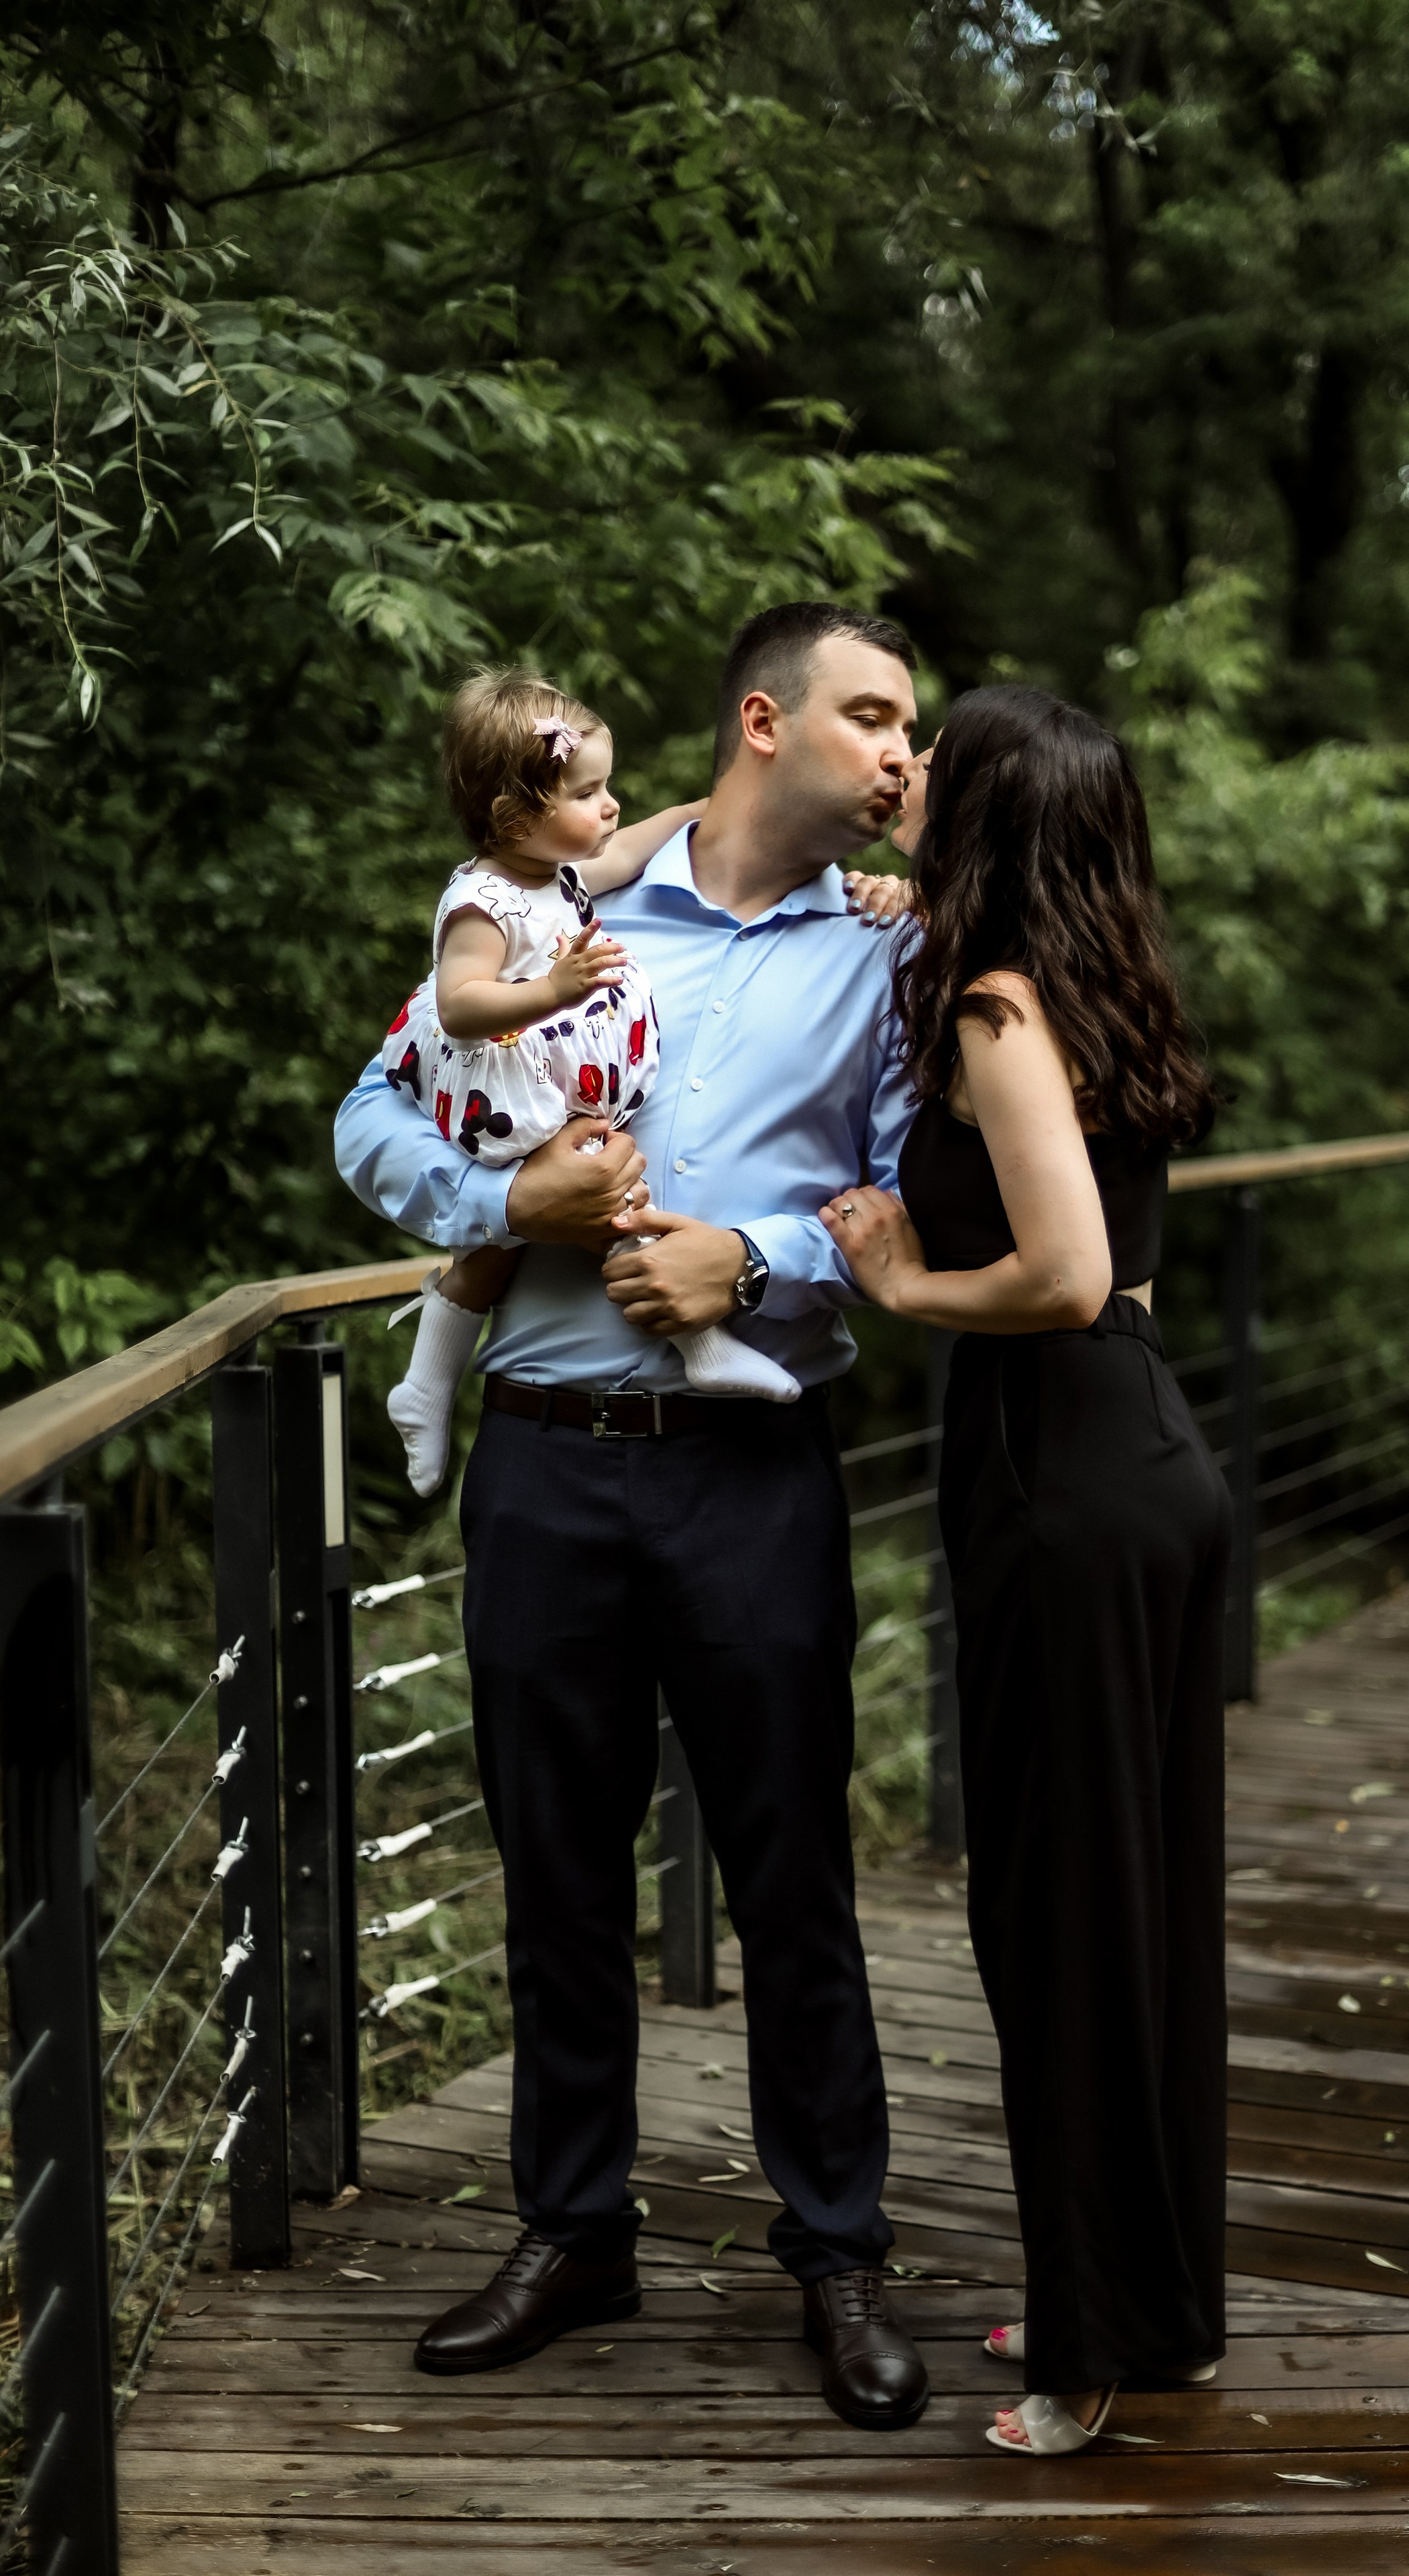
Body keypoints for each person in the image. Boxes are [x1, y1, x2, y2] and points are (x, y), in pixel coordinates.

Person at [333, 602, 930, 2432]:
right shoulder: (555, 912)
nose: (905, 754)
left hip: (753, 1466)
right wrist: (516, 1207)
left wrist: (742, 1261)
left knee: (791, 1880)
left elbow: (905, 1199)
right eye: (875, 717)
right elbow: (370, 1123)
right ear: (768, 721)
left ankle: (837, 2252)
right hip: (545, 1458)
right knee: (561, 1875)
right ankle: (574, 2234)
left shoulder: (889, 960)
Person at [819, 686, 1229, 2458]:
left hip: (1060, 1460)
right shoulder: (1081, 977)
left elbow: (1059, 1274)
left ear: (986, 810)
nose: (901, 781)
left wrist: (905, 1291)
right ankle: (1148, 2299)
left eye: (934, 766)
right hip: (1138, 1449)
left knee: (1056, 1917)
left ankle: (1082, 2355)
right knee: (1138, 1912)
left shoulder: (995, 1006)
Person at [380, 667, 796, 1499]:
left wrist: (706, 814)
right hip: (505, 1083)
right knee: (606, 1190)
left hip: (552, 1077)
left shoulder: (557, 874)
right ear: (516, 816)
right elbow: (462, 1007)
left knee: (502, 1247)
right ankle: (701, 1347)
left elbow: (639, 842)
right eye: (589, 791)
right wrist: (555, 990)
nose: (610, 807)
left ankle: (424, 1384)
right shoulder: (481, 902)